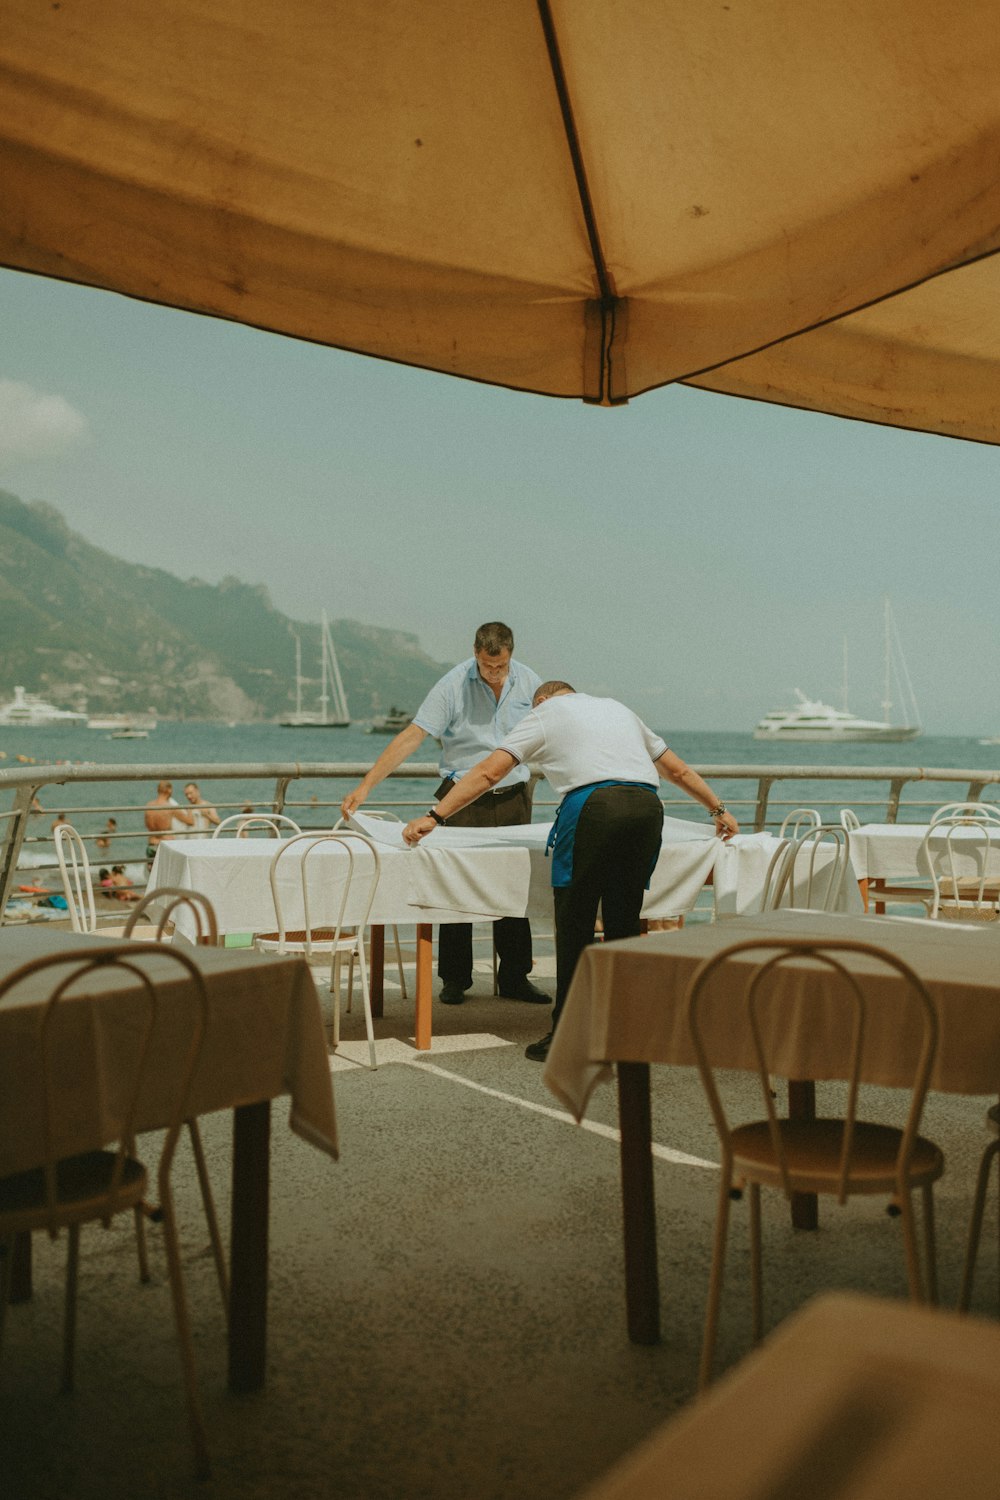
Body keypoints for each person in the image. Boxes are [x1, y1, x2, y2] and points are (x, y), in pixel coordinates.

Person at [403, 682, 740, 1060]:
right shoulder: (618, 707)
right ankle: (622, 1033)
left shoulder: (545, 713)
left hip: (594, 808)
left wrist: (436, 816)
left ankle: (569, 1032)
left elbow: (487, 773)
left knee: (576, 924)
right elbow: (675, 770)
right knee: (623, 925)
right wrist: (718, 809)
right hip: (647, 808)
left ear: (543, 700)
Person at [341, 621, 547, 1006]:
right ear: (475, 653)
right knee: (457, 885)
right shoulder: (452, 685)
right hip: (461, 797)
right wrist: (366, 785)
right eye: (487, 667)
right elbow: (412, 736)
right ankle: (455, 979)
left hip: (515, 794)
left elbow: (552, 732)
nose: (494, 675)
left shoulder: (530, 681)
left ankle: (516, 976)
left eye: (500, 667)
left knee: (516, 883)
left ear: (510, 655)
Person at [144, 779, 194, 861]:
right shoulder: (169, 807)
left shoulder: (148, 806)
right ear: (169, 790)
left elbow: (147, 825)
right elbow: (190, 821)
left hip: (151, 845)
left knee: (153, 872)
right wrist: (189, 809)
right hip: (166, 845)